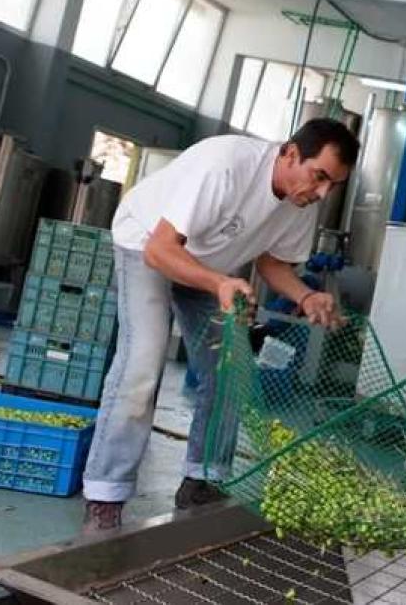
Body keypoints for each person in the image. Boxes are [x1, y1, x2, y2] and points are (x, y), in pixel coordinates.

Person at [82, 118, 360, 533]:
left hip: (214, 265)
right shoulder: (226, 167)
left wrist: (305, 295)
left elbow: (271, 260)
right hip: (146, 246)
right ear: (289, 154)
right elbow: (161, 249)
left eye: (333, 185)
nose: (322, 192)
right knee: (142, 358)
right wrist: (219, 282)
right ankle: (106, 493)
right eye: (319, 176)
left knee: (231, 367)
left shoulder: (301, 201)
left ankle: (202, 478)